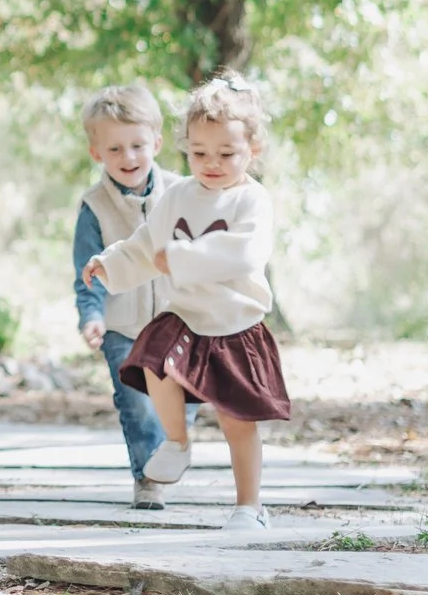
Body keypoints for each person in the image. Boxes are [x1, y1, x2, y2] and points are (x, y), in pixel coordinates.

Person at [82, 72, 290, 529]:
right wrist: (110, 263)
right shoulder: (177, 195)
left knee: (238, 422)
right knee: (153, 361)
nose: (211, 163)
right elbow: (144, 244)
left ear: (252, 150)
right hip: (186, 320)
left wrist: (179, 257)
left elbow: (244, 252)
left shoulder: (251, 200)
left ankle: (249, 508)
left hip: (235, 325)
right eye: (199, 153)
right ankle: (175, 441)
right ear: (185, 148)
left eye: (226, 154)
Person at [70, 83, 187, 510]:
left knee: (180, 396)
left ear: (156, 142)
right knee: (136, 402)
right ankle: (148, 478)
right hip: (122, 325)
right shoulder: (94, 207)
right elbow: (87, 271)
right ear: (96, 153)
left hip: (180, 318)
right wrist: (92, 316)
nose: (129, 158)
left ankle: (175, 442)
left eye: (137, 145)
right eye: (115, 149)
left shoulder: (182, 194)